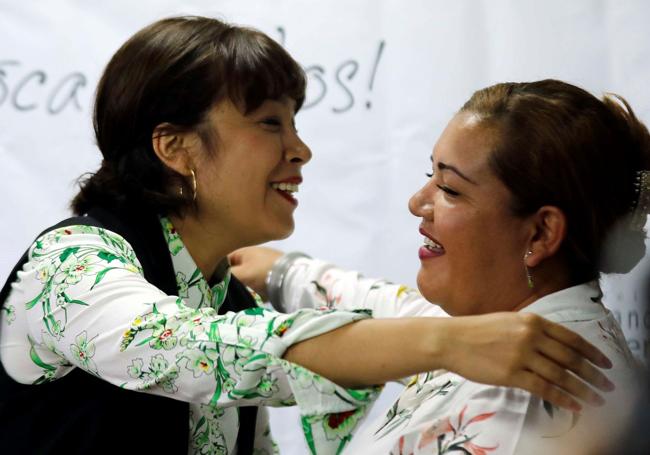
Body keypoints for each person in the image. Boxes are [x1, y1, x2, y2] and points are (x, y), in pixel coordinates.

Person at [0, 17, 612, 454]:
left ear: (543, 233)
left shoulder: (232, 300)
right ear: (175, 147)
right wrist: (445, 342)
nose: (301, 149)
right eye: (270, 123)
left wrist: (286, 274)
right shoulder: (71, 265)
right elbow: (200, 349)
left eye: (296, 121)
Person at [231, 79, 650, 454]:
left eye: (449, 188)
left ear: (541, 234)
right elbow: (400, 315)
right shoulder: (509, 332)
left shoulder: (520, 401)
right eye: (430, 174)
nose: (417, 202)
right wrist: (282, 273)